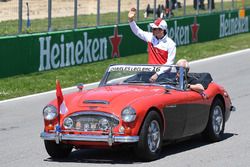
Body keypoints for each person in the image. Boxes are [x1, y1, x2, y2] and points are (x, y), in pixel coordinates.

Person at [128, 7, 176, 82]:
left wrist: (157, 74)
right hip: (149, 72)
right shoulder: (150, 37)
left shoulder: (171, 44)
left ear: (161, 30)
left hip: (163, 75)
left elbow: (170, 63)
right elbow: (138, 31)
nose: (152, 30)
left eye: (154, 29)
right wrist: (131, 20)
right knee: (127, 82)